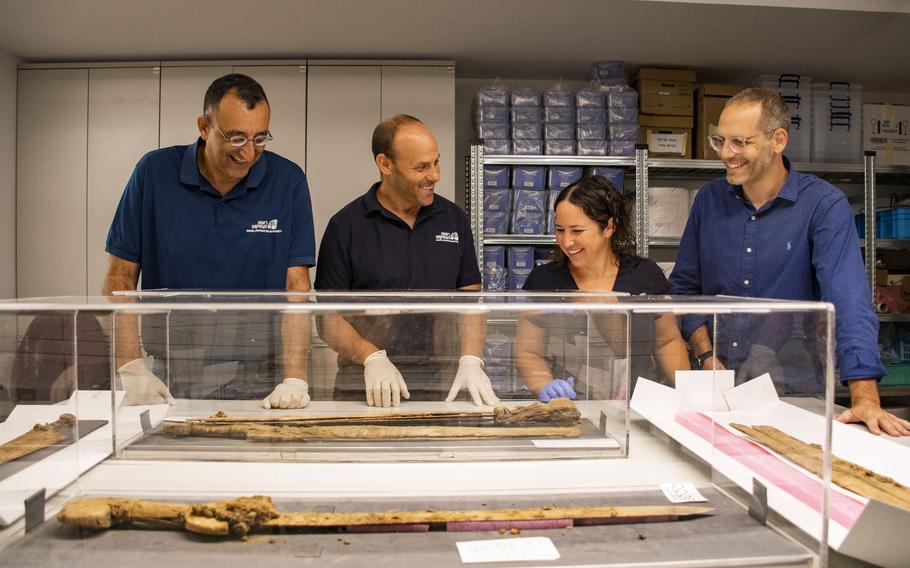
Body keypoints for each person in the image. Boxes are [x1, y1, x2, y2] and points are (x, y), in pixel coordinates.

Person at [670, 87, 910, 437]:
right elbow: (685, 288)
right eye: (719, 140)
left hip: (793, 388)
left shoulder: (823, 206)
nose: (725, 153)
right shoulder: (709, 201)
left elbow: (847, 299)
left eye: (739, 142)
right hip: (714, 387)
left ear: (778, 139)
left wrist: (865, 396)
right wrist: (706, 357)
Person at [103, 73, 316, 409]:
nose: (248, 153)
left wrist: (294, 378)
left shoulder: (287, 180)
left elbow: (297, 286)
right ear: (204, 126)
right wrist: (131, 367)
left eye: (260, 139)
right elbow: (120, 278)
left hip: (259, 372)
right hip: (173, 369)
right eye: (236, 138)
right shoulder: (154, 173)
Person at [314, 114, 498, 408]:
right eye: (421, 167)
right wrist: (370, 358)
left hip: (441, 386)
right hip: (364, 387)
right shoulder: (346, 226)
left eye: (436, 162)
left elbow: (470, 303)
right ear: (385, 164)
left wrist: (471, 360)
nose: (435, 175)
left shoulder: (454, 220)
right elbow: (328, 319)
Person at [517, 176, 691, 401]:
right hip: (569, 409)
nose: (566, 241)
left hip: (636, 409)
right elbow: (528, 352)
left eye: (577, 231)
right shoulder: (544, 281)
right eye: (560, 230)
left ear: (609, 227)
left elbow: (667, 342)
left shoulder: (644, 276)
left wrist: (690, 396)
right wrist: (545, 385)